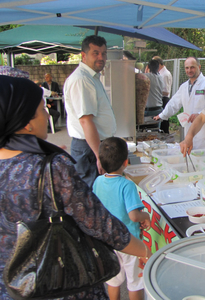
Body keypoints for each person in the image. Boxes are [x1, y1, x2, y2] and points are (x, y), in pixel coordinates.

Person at [0, 75, 150, 300]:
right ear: (26, 122)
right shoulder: (51, 168)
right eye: (42, 109)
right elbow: (98, 223)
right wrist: (143, 250)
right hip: (59, 282)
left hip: (13, 286)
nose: (47, 115)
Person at [93, 137, 151, 300]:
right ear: (126, 162)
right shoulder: (127, 185)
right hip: (129, 242)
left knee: (113, 281)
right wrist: (145, 216)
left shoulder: (98, 182)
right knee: (135, 282)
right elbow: (134, 216)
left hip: (108, 241)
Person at [64, 35, 117, 188]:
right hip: (88, 148)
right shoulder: (81, 79)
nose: (101, 57)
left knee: (99, 191)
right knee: (91, 193)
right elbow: (85, 120)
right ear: (83, 55)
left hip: (94, 146)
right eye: (96, 53)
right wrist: (98, 155)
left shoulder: (91, 77)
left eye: (104, 53)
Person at [154, 57, 205, 149]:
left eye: (192, 67)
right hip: (189, 131)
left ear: (199, 67)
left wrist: (200, 115)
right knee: (192, 159)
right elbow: (174, 104)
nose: (189, 70)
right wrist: (161, 116)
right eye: (187, 68)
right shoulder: (184, 86)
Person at [153, 56, 172, 133]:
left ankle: (166, 136)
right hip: (161, 99)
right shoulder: (161, 73)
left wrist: (154, 91)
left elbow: (166, 91)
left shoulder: (165, 74)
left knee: (164, 122)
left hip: (164, 99)